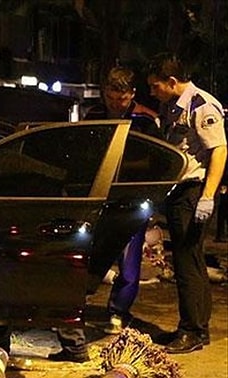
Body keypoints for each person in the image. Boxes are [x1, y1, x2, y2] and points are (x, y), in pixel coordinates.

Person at [146, 52, 226, 354]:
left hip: (194, 191)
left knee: (187, 263)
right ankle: (196, 328)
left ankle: (191, 331)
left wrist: (207, 196)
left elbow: (219, 151)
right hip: (182, 193)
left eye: (156, 86)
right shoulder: (173, 107)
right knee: (189, 261)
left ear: (171, 82)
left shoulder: (201, 106)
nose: (153, 92)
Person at [85, 66, 162, 335]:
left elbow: (156, 160)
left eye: (122, 99)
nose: (116, 104)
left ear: (132, 95)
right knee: (91, 255)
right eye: (111, 98)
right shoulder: (93, 115)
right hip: (99, 197)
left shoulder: (146, 120)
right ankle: (81, 302)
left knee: (129, 261)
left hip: (132, 198)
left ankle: (118, 311)